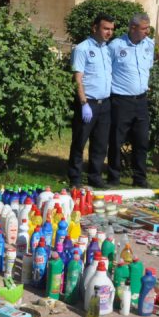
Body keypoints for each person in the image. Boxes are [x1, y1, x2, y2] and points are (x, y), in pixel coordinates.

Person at [107, 12, 155, 188]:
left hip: (141, 100)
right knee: (116, 140)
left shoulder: (149, 44)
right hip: (121, 101)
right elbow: (107, 70)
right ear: (133, 28)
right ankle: (113, 177)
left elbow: (148, 67)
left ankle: (140, 178)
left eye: (148, 28)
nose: (147, 32)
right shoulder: (116, 46)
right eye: (144, 28)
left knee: (141, 141)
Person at [67, 14, 115, 189]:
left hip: (105, 103)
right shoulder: (82, 49)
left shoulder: (107, 49)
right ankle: (75, 178)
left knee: (100, 144)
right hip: (88, 103)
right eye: (105, 28)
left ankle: (95, 177)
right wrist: (83, 103)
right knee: (79, 142)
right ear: (94, 28)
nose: (109, 32)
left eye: (111, 29)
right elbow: (78, 78)